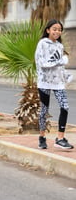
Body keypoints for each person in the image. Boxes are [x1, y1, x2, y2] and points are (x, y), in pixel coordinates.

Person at [35, 19, 73, 150]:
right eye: (54, 29)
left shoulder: (59, 46)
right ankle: (42, 137)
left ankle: (60, 138)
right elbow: (43, 64)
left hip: (58, 83)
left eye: (59, 29)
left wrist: (66, 76)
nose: (57, 31)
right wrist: (61, 61)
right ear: (48, 30)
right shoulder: (42, 44)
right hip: (44, 82)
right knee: (44, 111)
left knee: (65, 107)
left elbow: (59, 67)